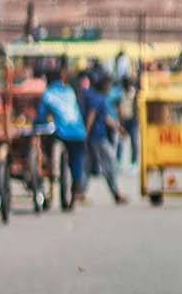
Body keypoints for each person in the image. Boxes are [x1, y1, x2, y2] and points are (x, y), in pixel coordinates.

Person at [35, 74, 88, 210]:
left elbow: (40, 117)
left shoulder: (48, 94)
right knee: (76, 165)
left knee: (54, 163)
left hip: (62, 133)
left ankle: (52, 189)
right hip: (79, 132)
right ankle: (74, 196)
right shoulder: (69, 91)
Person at [82, 70, 126, 205]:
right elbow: (92, 115)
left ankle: (79, 193)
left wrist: (118, 127)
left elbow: (105, 118)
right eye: (108, 84)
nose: (109, 87)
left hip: (93, 137)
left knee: (87, 167)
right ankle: (116, 194)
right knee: (109, 164)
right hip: (97, 137)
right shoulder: (98, 98)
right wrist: (86, 133)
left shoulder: (96, 97)